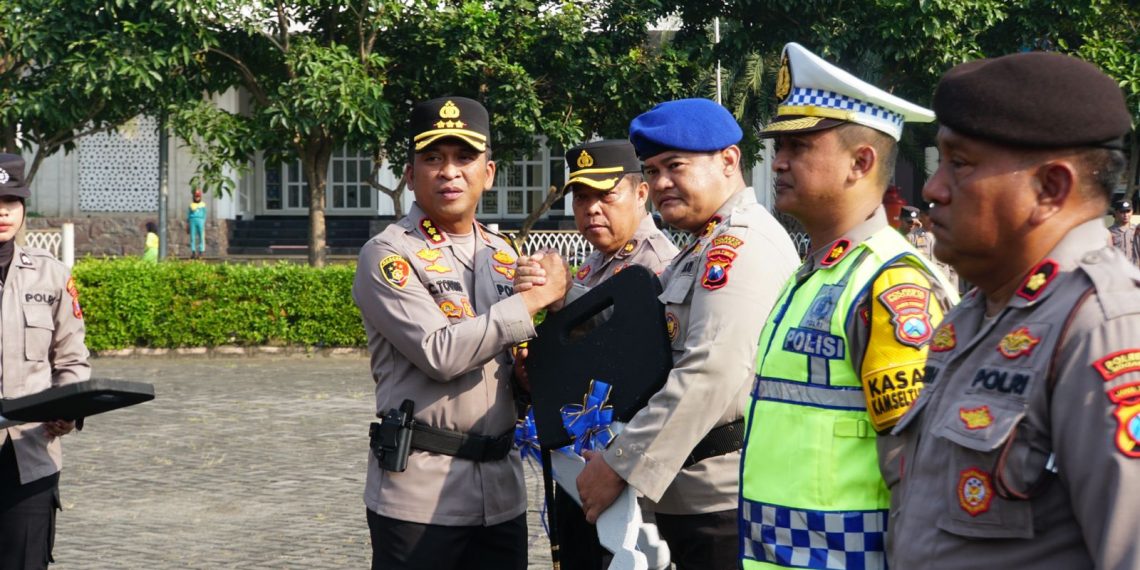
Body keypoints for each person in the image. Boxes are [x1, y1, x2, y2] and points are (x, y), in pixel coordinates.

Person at [887, 51, 1140, 568]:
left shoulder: (1103, 327)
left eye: (960, 164)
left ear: (1050, 189)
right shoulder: (978, 311)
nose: (933, 189)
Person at [738, 43, 959, 570]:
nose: (780, 160)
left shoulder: (888, 284)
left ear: (861, 162)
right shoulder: (818, 272)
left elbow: (917, 471)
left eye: (799, 145)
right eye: (779, 145)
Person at [569, 99, 800, 569]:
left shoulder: (739, 245)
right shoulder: (703, 244)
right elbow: (644, 341)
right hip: (691, 497)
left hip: (722, 504)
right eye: (652, 171)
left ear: (729, 161)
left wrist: (619, 464)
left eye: (675, 166)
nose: (661, 183)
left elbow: (709, 371)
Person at [352, 96, 570, 570]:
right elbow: (440, 353)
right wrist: (532, 301)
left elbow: (509, 363)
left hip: (501, 491)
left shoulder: (505, 255)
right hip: (422, 495)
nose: (449, 172)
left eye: (464, 158)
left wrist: (529, 379)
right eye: (433, 158)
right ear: (410, 175)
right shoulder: (388, 255)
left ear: (488, 173)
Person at [519, 139, 679, 569]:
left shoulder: (657, 265)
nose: (591, 208)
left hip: (627, 470)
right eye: (582, 197)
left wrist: (566, 294)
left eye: (606, 195)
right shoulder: (594, 265)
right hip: (582, 466)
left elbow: (640, 352)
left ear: (641, 193)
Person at [0, 153, 91, 570]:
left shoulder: (51, 275)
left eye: (12, 201)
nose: (3, 211)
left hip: (29, 455)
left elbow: (71, 360)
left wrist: (67, 410)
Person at [904, 205, 960, 291]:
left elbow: (953, 268)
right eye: (928, 214)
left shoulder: (947, 237)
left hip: (943, 290)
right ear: (921, 216)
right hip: (922, 289)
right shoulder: (911, 237)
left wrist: (953, 292)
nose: (931, 218)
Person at [1107, 199, 1140, 265]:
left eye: (1128, 211)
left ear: (1132, 212)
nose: (1125, 215)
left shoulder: (1137, 230)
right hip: (1119, 271)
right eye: (1122, 212)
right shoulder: (1109, 232)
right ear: (1116, 213)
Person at [187, 189, 206, 260]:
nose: (197, 198)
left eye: (198, 196)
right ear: (194, 197)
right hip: (192, 221)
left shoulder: (203, 205)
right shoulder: (191, 205)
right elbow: (188, 214)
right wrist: (187, 223)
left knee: (201, 236)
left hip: (200, 220)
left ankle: (201, 251)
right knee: (192, 237)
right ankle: (193, 251)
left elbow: (204, 214)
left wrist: (203, 221)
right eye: (196, 196)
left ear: (200, 197)